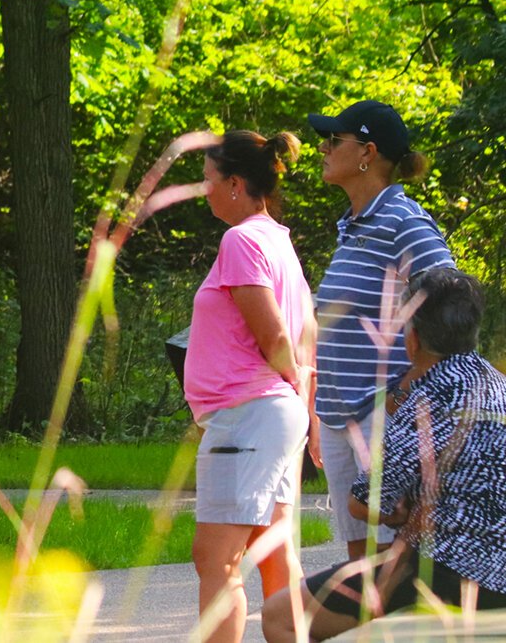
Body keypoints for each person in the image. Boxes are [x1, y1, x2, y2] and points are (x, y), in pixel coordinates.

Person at [261, 268, 506, 641]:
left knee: (281, 616)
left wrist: (396, 511)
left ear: (413, 340)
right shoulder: (498, 387)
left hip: (443, 571)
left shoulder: (423, 402)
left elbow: (363, 501)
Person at [308, 100, 454, 559]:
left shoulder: (402, 221)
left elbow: (452, 307)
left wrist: (404, 394)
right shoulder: (352, 226)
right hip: (338, 418)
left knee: (392, 565)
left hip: (381, 420)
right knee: (360, 566)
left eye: (334, 141)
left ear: (367, 152)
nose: (323, 149)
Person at [187, 131, 315, 643]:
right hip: (275, 415)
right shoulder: (280, 242)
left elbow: (277, 337)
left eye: (208, 180)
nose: (205, 190)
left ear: (236, 184)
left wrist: (288, 395)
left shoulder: (240, 241)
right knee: (276, 557)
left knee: (216, 559)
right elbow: (307, 341)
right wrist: (304, 413)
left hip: (249, 415)